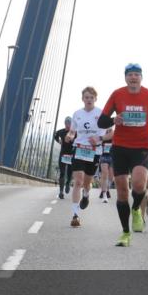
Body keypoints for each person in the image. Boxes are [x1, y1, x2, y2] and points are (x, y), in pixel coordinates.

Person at [97, 64, 148, 247]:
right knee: (122, 191)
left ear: (141, 78)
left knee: (138, 184)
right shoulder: (117, 94)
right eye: (130, 75)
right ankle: (125, 233)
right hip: (120, 147)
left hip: (141, 148)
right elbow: (102, 120)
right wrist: (114, 119)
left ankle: (137, 207)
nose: (133, 78)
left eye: (136, 74)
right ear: (125, 78)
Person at [65, 87, 106, 227]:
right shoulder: (77, 114)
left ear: (95, 99)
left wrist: (99, 138)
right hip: (79, 149)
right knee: (78, 182)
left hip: (94, 152)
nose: (89, 100)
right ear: (82, 99)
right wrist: (69, 136)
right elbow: (72, 132)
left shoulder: (101, 114)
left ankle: (86, 194)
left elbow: (111, 133)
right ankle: (75, 215)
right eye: (86, 97)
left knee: (87, 183)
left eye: (91, 97)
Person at [53, 116, 73, 199]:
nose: (67, 125)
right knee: (62, 173)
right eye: (66, 123)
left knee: (69, 173)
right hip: (63, 154)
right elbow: (55, 135)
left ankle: (68, 183)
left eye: (69, 123)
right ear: (64, 123)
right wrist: (59, 141)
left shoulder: (74, 132)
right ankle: (61, 191)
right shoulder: (61, 131)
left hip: (72, 155)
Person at [98, 132, 114, 202]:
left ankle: (106, 189)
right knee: (104, 174)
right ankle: (105, 195)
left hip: (113, 157)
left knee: (111, 177)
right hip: (104, 157)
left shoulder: (114, 134)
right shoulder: (102, 134)